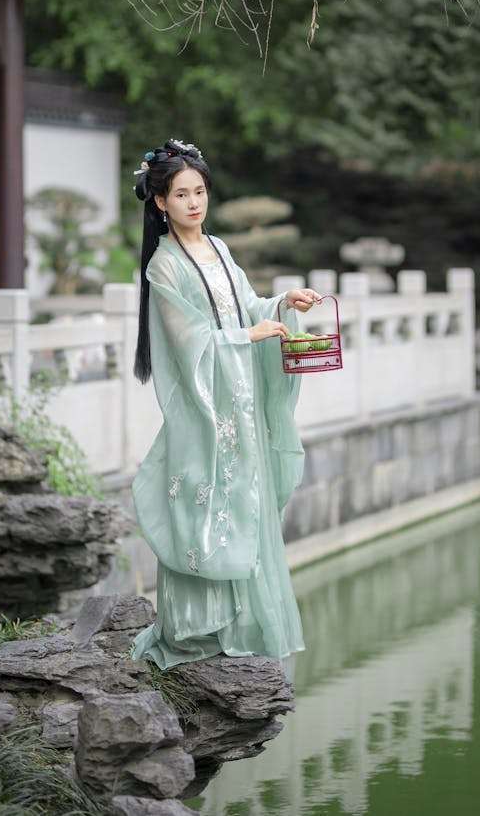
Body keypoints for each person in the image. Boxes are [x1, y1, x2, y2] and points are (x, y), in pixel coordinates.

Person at [130, 139, 322, 670]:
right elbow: (190, 340)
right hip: (207, 412)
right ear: (160, 202)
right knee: (202, 506)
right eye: (181, 194)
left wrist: (282, 303)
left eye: (200, 191)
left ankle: (242, 625)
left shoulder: (220, 249)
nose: (194, 203)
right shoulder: (164, 266)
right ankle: (197, 631)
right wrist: (247, 336)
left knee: (247, 506)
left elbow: (246, 308)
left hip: (243, 405)